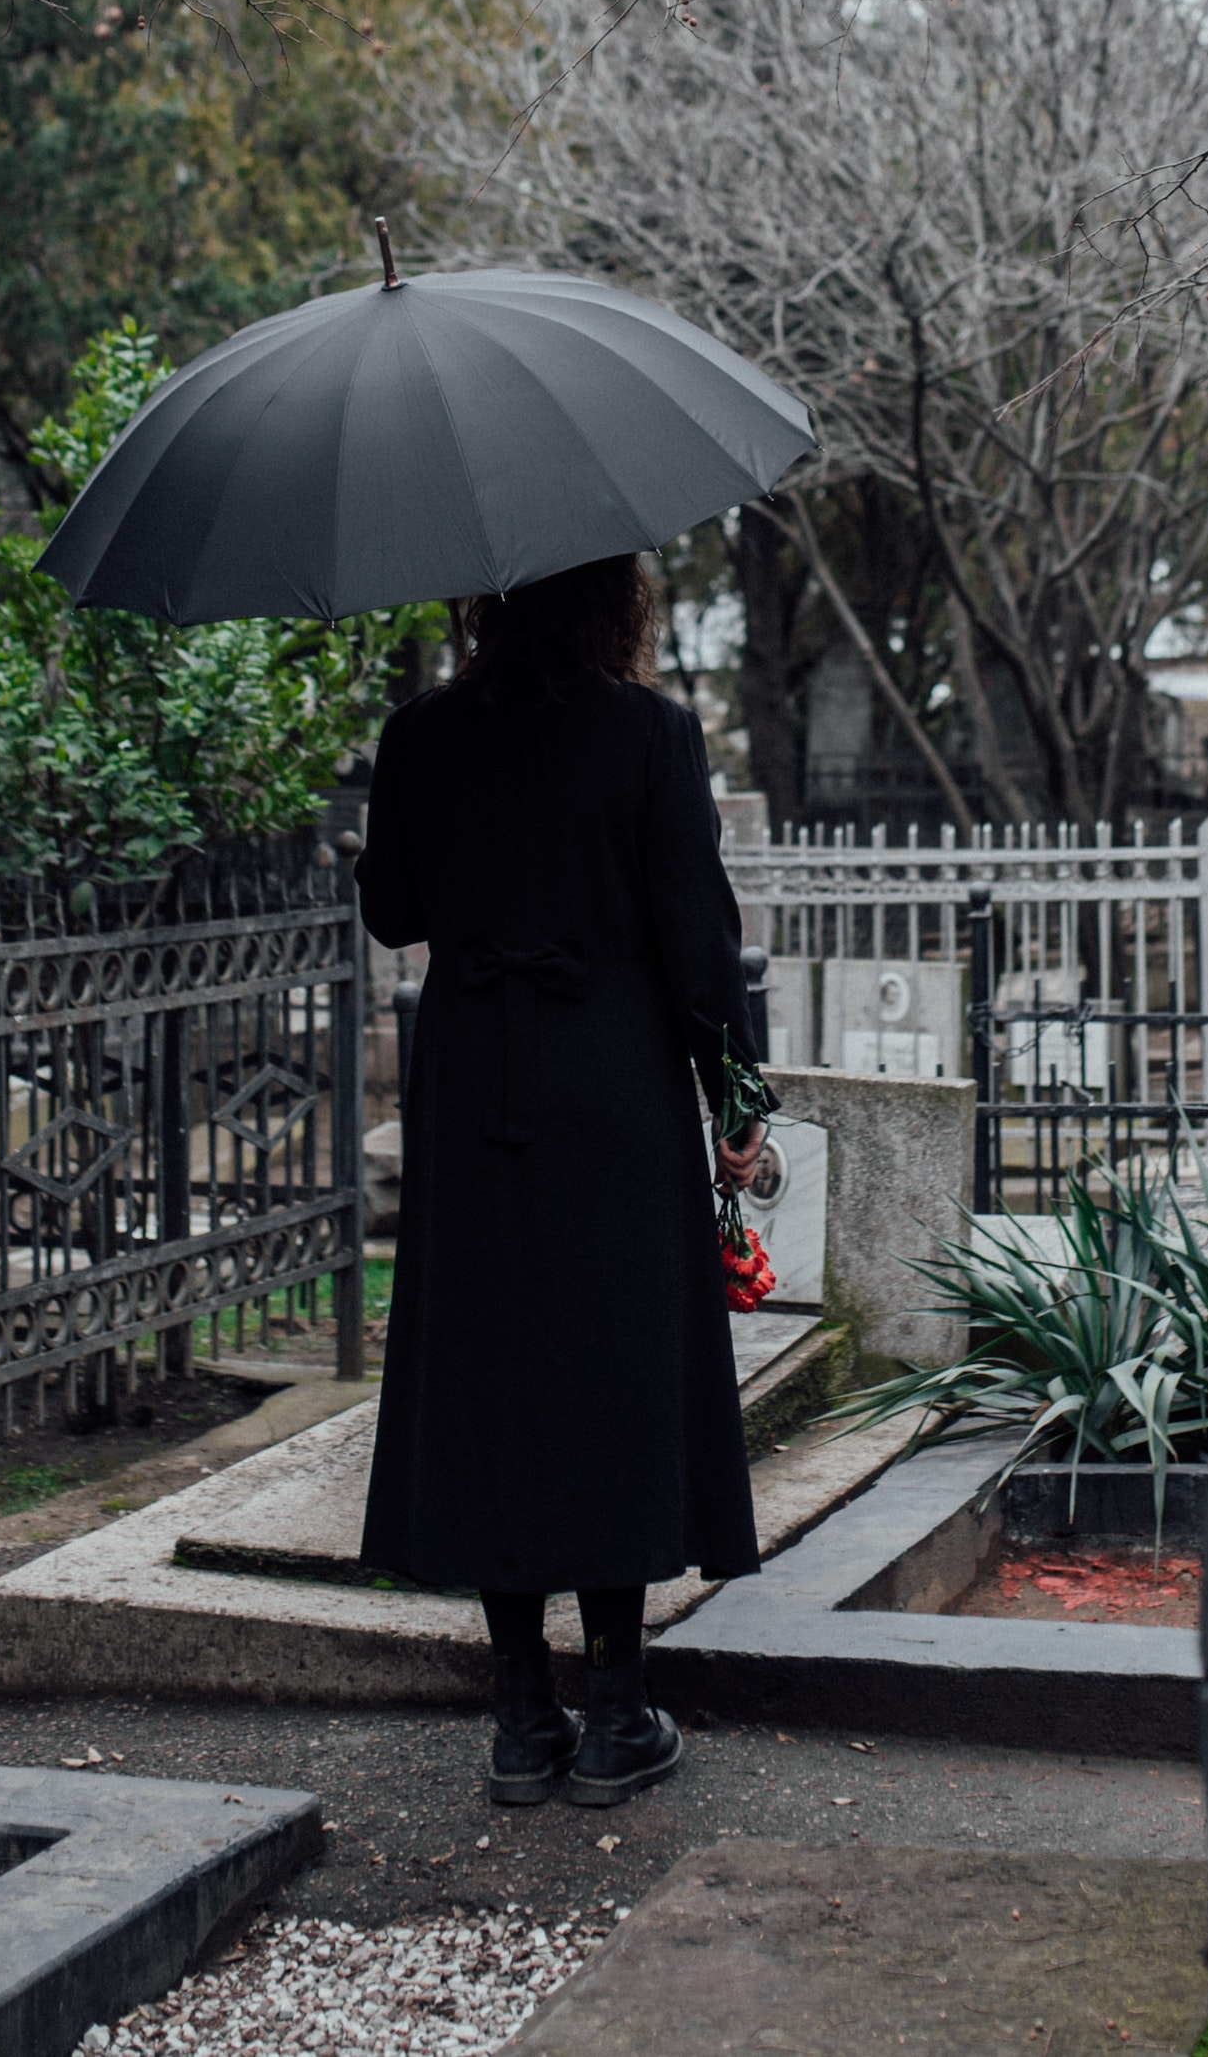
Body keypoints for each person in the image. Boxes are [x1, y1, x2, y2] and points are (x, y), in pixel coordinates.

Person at [355, 553, 767, 1809]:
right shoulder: (650, 731)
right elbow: (699, 933)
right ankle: (619, 1706)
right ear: (612, 599)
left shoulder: (421, 731)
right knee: (611, 1372)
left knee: (496, 1372)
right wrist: (735, 1100)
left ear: (482, 595)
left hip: (479, 1081)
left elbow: (391, 909)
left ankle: (522, 1711)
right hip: (614, 1084)